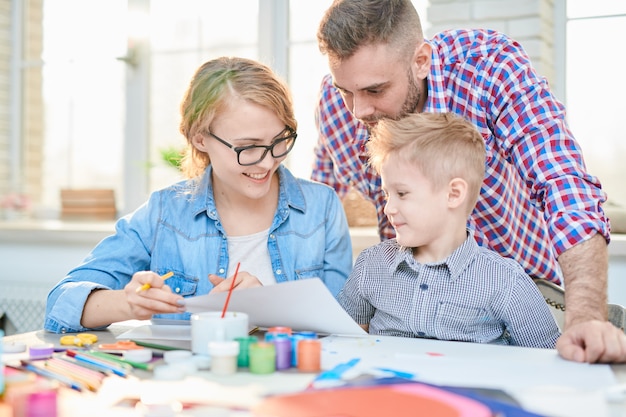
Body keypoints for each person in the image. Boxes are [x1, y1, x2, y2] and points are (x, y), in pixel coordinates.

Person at [314, 0, 626, 362]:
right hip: (410, 314)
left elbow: (563, 183)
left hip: (525, 293)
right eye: (345, 90)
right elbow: (323, 202)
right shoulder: (335, 104)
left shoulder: (488, 67)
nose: (358, 111)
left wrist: (585, 316)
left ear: (421, 61)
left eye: (375, 90)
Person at [45, 57, 353, 334]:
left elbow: (345, 323)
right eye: (248, 147)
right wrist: (129, 303)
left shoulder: (321, 208)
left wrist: (267, 307)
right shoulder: (165, 213)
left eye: (280, 140)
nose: (267, 161)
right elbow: (61, 302)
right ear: (200, 138)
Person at [338, 113, 561, 348]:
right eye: (386, 194)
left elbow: (547, 361)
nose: (388, 208)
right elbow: (344, 342)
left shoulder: (505, 281)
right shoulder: (372, 265)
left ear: (453, 194)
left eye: (402, 194)